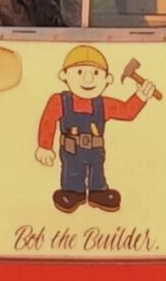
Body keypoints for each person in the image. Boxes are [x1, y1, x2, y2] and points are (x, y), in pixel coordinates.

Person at [33, 45, 157, 212]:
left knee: (96, 170)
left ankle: (98, 192)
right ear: (64, 75)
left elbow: (127, 112)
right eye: (79, 72)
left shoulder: (103, 104)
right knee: (72, 170)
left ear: (108, 79)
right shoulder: (59, 101)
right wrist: (44, 146)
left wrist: (141, 96)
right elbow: (48, 120)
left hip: (95, 150)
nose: (89, 79)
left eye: (96, 73)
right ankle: (72, 193)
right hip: (71, 149)